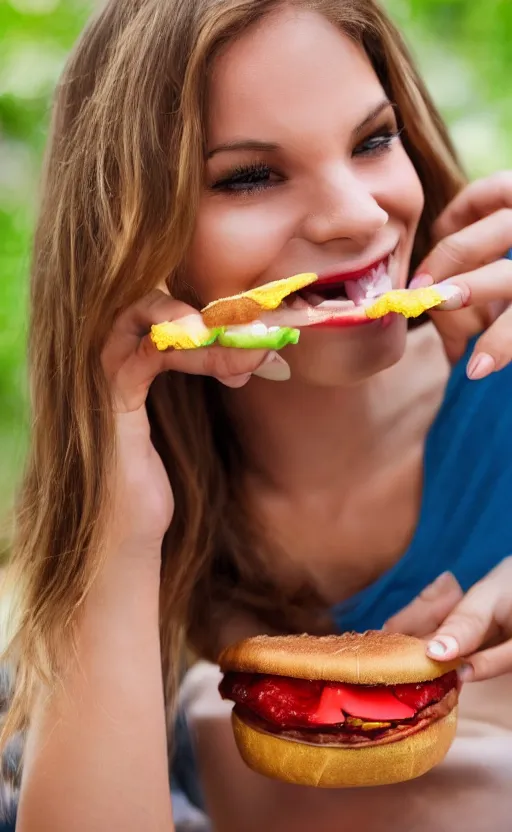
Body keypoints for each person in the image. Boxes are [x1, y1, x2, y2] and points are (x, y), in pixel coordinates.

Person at [2, 0, 512, 829]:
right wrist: (117, 522)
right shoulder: (154, 511)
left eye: (373, 139)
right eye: (250, 176)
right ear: (137, 240)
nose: (357, 215)